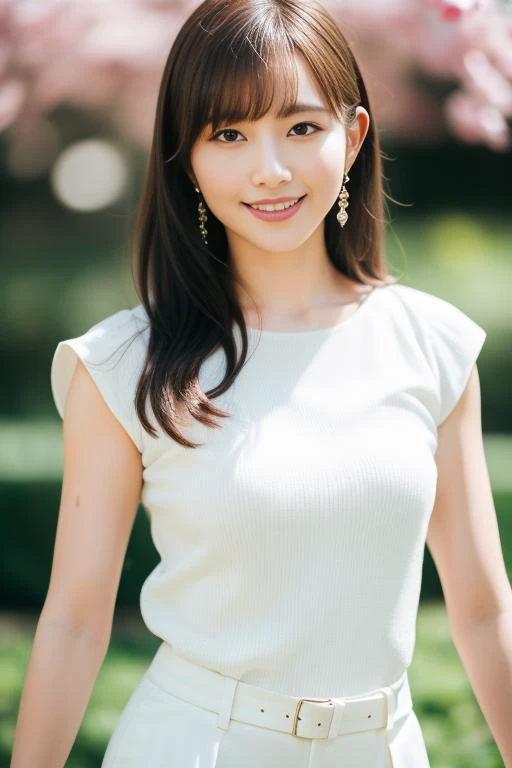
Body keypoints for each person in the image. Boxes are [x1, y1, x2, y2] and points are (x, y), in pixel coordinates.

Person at [12, 0, 511, 766]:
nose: (269, 168)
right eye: (229, 134)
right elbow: (76, 620)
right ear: (186, 156)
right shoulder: (122, 363)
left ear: (353, 136)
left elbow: (482, 610)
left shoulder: (432, 344)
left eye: (301, 128)